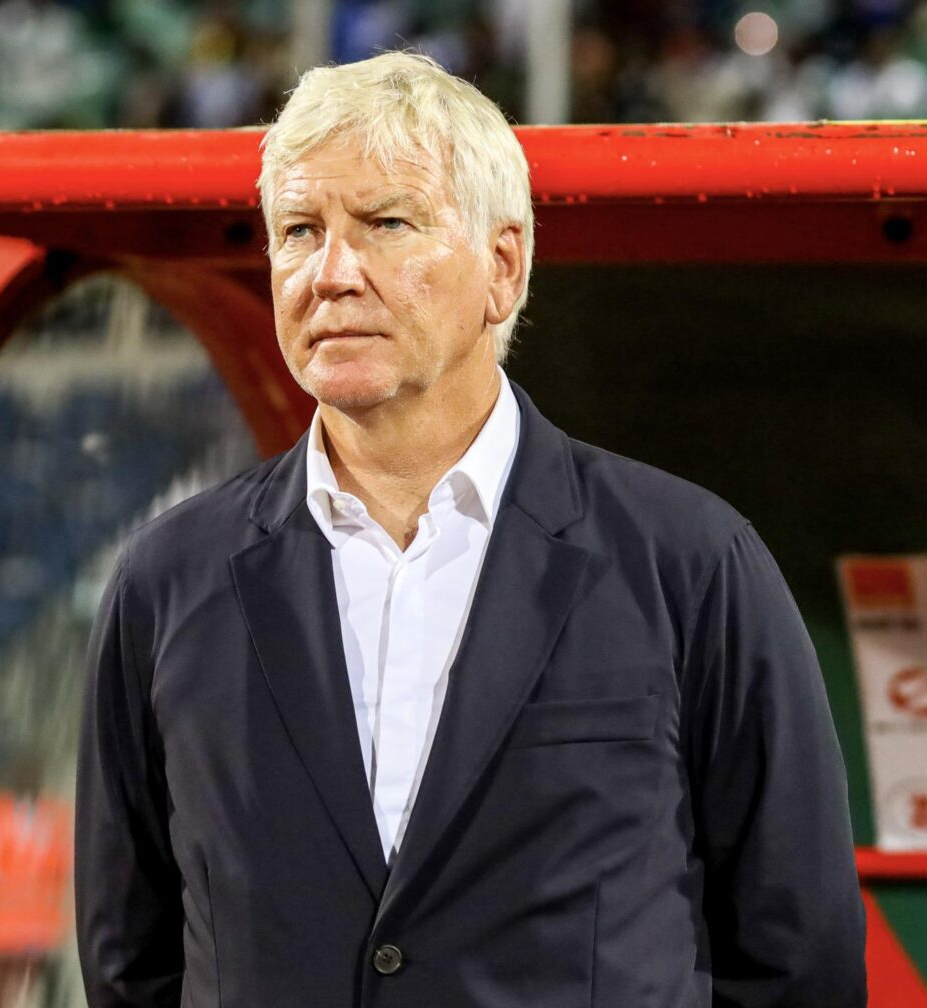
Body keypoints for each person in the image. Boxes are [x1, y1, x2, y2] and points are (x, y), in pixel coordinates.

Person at [75, 51, 865, 1007]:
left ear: (504, 265)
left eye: (386, 224)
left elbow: (798, 963)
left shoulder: (692, 565)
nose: (331, 274)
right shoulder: (166, 582)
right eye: (299, 230)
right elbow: (130, 964)